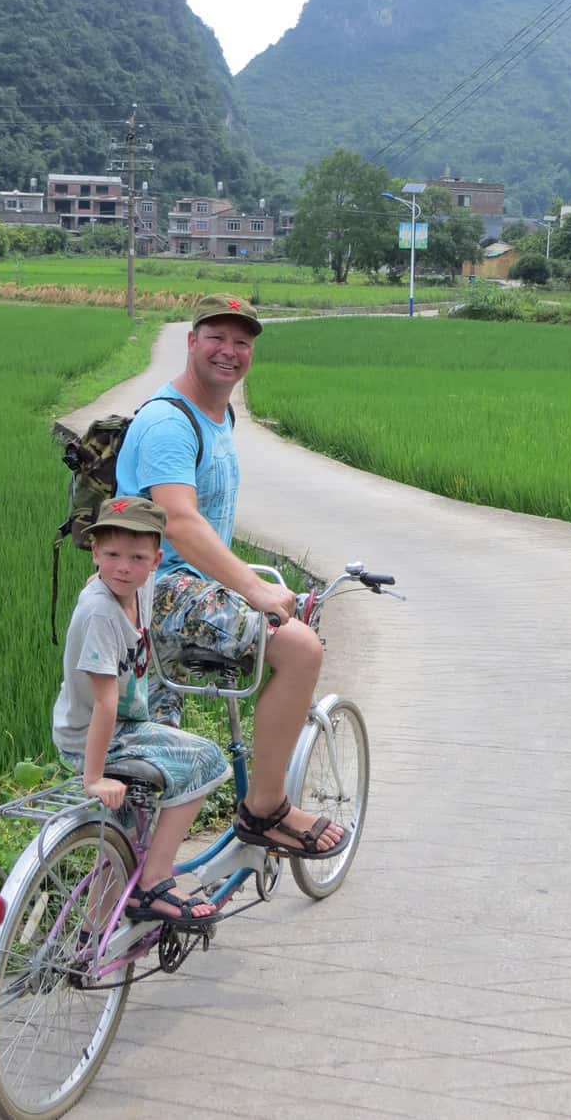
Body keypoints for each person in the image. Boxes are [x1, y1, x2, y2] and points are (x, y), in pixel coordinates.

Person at [115, 293, 347, 860]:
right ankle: (266, 810)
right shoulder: (170, 422)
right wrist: (255, 588)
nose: (230, 351)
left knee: (152, 760)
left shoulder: (219, 415)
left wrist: (240, 580)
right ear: (191, 342)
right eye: (216, 337)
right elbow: (179, 521)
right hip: (160, 593)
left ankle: (128, 904)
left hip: (159, 596)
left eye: (242, 342)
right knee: (299, 649)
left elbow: (204, 526)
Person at [52, 495, 230, 927]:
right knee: (207, 760)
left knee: (127, 836)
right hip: (96, 737)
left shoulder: (140, 587)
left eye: (136, 557)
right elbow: (106, 703)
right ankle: (155, 881)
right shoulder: (99, 611)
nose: (122, 567)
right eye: (111, 555)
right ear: (93, 552)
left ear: (156, 560)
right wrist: (94, 778)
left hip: (121, 725)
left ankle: (91, 941)